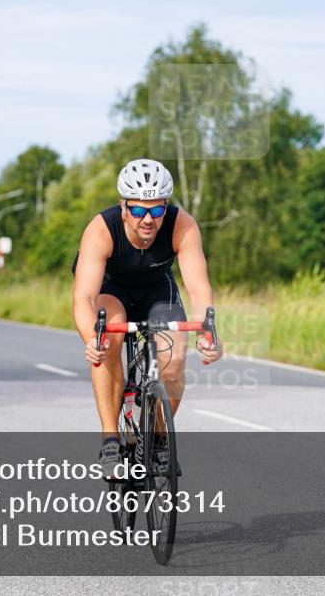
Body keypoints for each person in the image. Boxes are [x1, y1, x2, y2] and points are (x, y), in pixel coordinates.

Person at [71, 159, 223, 477]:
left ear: (166, 207)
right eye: (139, 211)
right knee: (107, 341)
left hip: (156, 289)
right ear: (124, 207)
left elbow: (199, 289)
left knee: (175, 357)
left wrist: (208, 333)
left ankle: (156, 441)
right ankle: (110, 439)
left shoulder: (183, 226)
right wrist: (91, 341)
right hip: (112, 289)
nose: (148, 220)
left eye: (156, 210)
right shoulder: (102, 229)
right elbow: (83, 297)